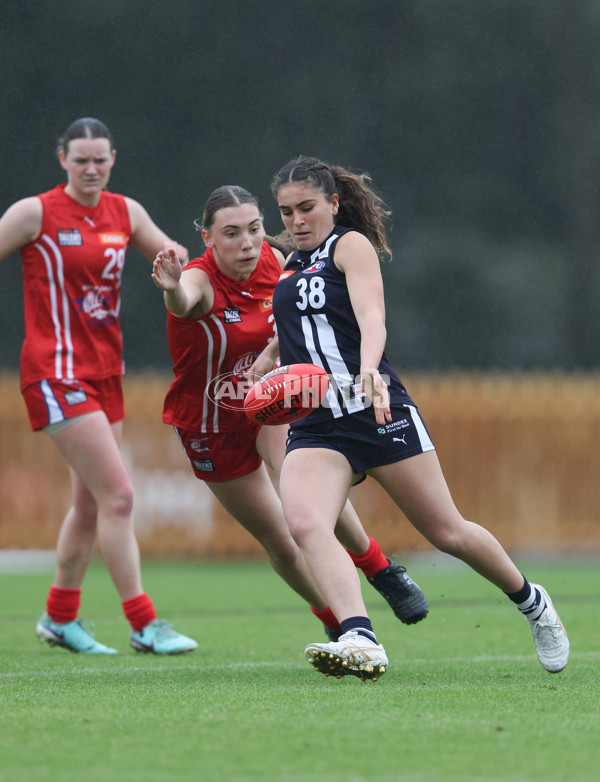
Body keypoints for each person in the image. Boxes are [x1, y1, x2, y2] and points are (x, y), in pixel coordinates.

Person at [269, 155, 570, 681]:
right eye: (287, 211)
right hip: (317, 424)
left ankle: (533, 602)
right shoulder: (291, 266)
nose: (296, 220)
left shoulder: (350, 246)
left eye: (307, 207)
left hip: (375, 409)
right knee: (305, 524)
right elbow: (298, 330)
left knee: (447, 532)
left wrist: (368, 370)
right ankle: (360, 636)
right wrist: (262, 365)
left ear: (334, 204)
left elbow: (371, 314)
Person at [151, 184, 428, 641]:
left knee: (305, 497)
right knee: (281, 539)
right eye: (232, 233)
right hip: (211, 424)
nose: (246, 243)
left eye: (255, 229)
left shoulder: (278, 264)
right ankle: (334, 619)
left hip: (271, 402)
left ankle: (379, 569)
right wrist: (171, 287)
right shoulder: (200, 277)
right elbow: (184, 298)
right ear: (207, 238)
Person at [0, 117, 198, 655]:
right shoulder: (34, 213)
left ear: (113, 159)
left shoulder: (124, 211)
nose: (91, 168)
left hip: (106, 372)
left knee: (89, 506)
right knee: (120, 495)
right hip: (54, 370)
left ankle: (60, 618)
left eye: (100, 159)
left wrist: (178, 261)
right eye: (80, 159)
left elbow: (169, 254)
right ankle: (144, 624)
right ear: (61, 159)